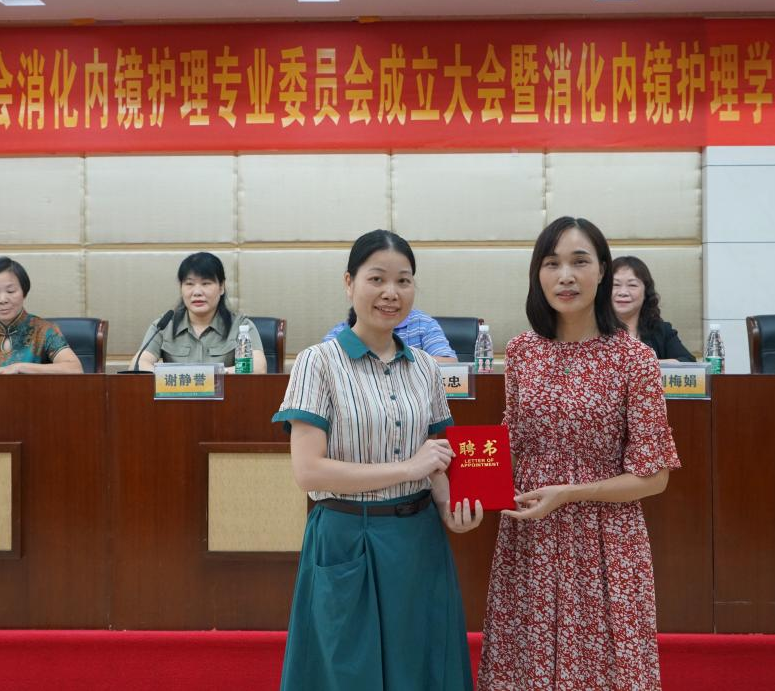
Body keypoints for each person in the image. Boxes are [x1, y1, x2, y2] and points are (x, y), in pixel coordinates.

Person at [272, 229, 484, 691]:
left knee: (420, 669)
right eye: (377, 279)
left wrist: (450, 509)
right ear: (349, 283)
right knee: (348, 672)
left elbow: (437, 457)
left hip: (419, 540)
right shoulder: (317, 362)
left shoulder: (426, 368)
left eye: (404, 281)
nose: (391, 293)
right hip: (347, 536)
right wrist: (407, 469)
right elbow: (308, 471)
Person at [479, 217, 681, 691]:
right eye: (552, 264)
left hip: (605, 543)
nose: (565, 276)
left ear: (603, 270)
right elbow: (513, 444)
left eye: (579, 262)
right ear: (538, 274)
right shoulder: (522, 352)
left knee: (604, 668)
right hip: (530, 539)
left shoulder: (634, 359)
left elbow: (654, 477)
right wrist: (465, 478)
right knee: (524, 665)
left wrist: (569, 493)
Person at [130, 252, 267, 373]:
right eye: (189, 284)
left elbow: (258, 368)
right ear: (181, 288)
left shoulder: (241, 326)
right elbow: (137, 365)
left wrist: (214, 374)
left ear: (221, 287)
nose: (197, 292)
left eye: (206, 283)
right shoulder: (164, 326)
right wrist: (175, 376)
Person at [612, 255, 695, 362]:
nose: (623, 292)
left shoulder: (661, 331)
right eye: (615, 284)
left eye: (632, 285)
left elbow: (688, 363)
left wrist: (650, 365)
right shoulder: (593, 330)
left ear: (646, 292)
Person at [322, 308, 459, 362]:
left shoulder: (422, 323)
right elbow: (323, 363)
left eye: (401, 281)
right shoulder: (345, 330)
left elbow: (450, 363)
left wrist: (399, 365)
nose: (388, 295)